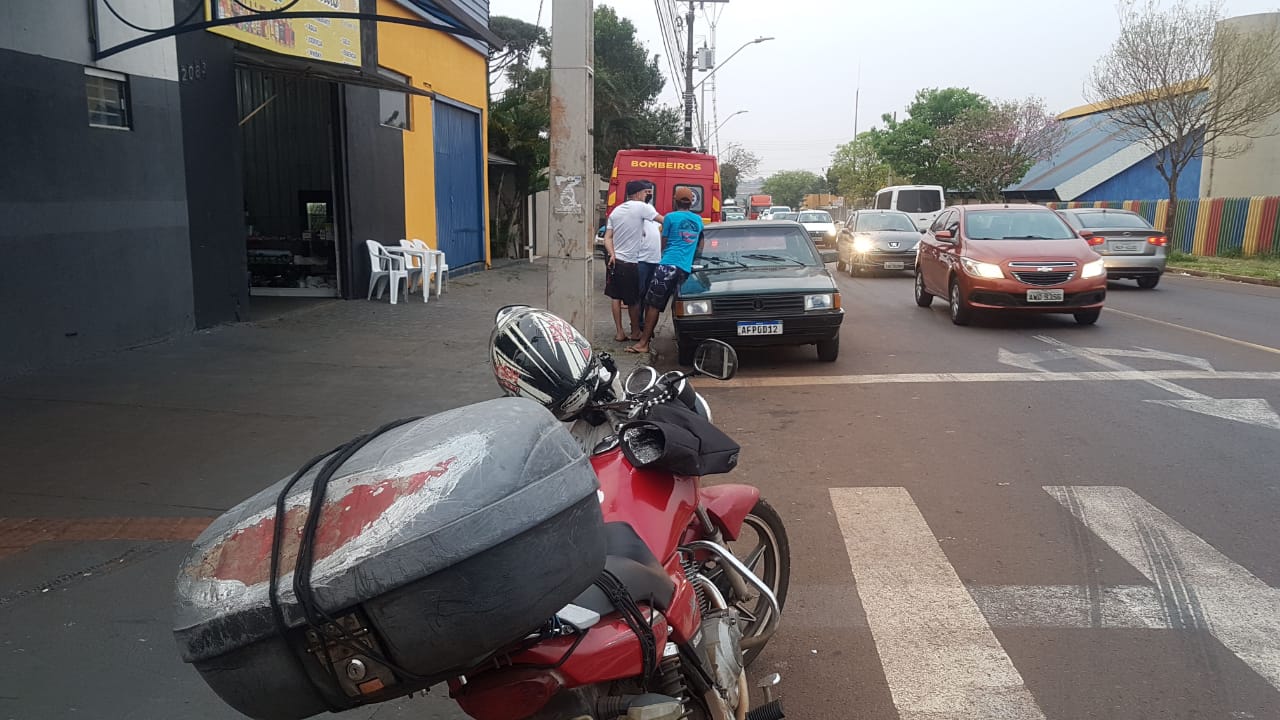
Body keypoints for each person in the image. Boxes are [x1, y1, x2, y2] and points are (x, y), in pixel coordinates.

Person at [628, 187, 703, 354]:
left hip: (667, 265)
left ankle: (644, 343)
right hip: (685, 268)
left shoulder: (670, 217)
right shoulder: (698, 221)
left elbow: (664, 243)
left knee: (652, 304)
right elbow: (700, 244)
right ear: (692, 202)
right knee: (678, 304)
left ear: (675, 200)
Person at [603, 180, 664, 342]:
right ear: (637, 194)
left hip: (615, 261)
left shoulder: (616, 211)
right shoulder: (642, 207)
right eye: (645, 193)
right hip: (630, 262)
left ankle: (619, 332)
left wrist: (612, 254)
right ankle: (636, 331)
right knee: (634, 300)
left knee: (616, 297)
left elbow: (607, 237)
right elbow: (664, 221)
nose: (647, 196)